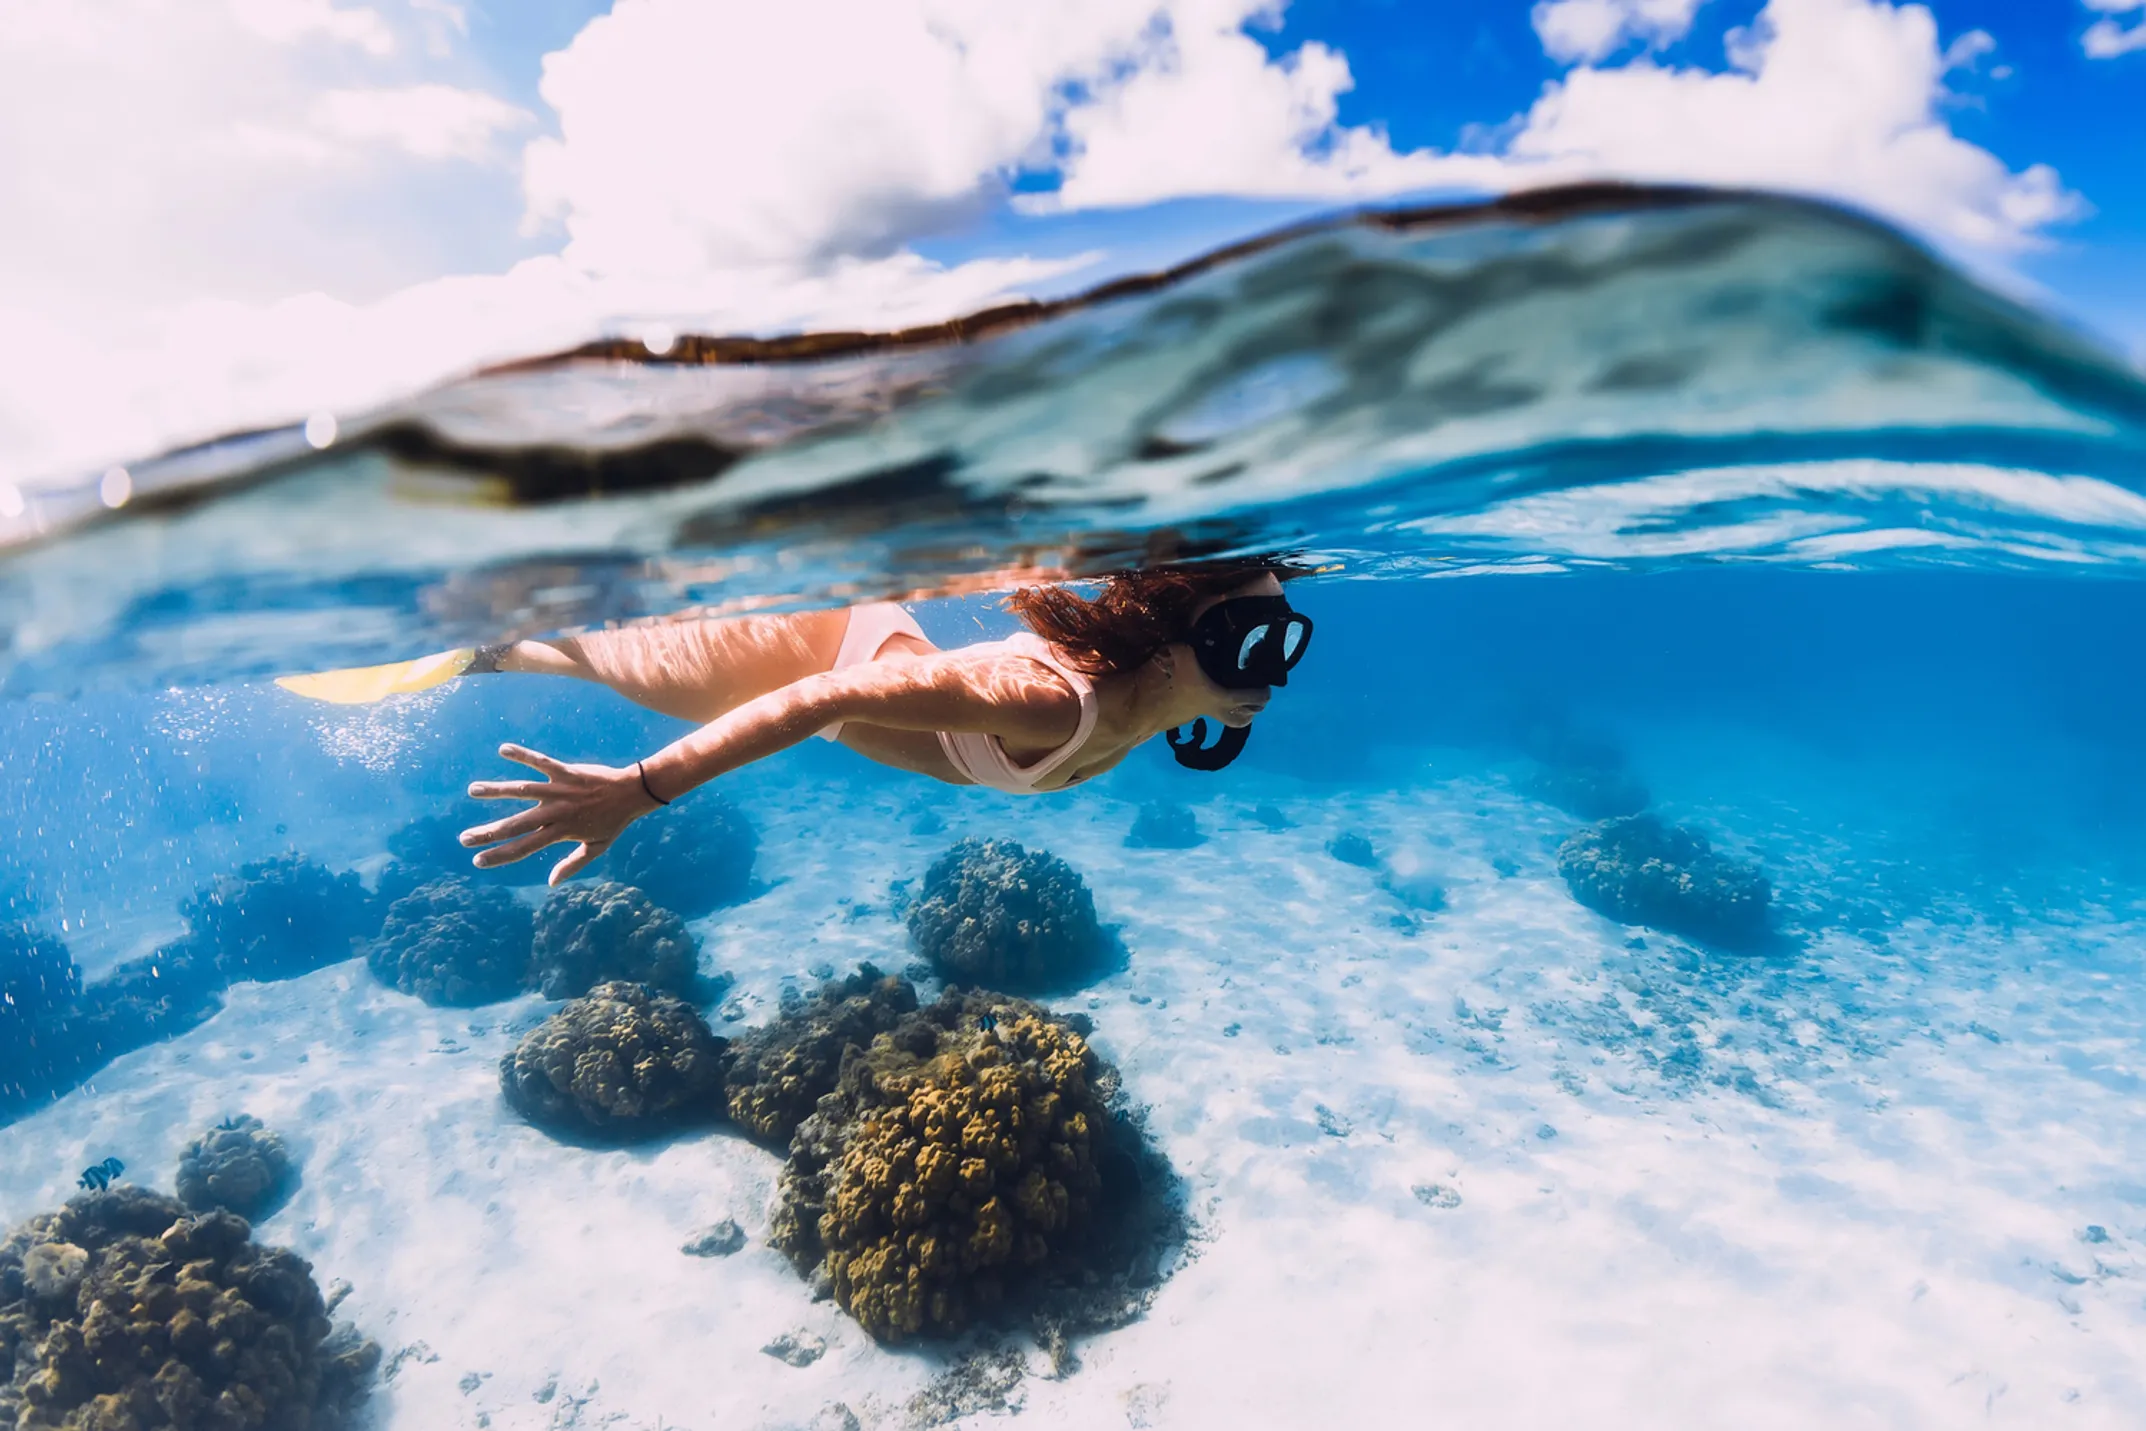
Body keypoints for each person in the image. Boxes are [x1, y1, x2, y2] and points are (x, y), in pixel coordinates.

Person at [447, 563, 1313, 883]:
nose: (1271, 671)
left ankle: (485, 651)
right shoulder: (1052, 702)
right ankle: (490, 604)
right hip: (803, 660)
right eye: (1248, 644)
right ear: (1167, 647)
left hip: (857, 651)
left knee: (587, 650)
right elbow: (822, 699)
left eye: (1283, 640)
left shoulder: (1154, 697)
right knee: (603, 642)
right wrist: (636, 791)